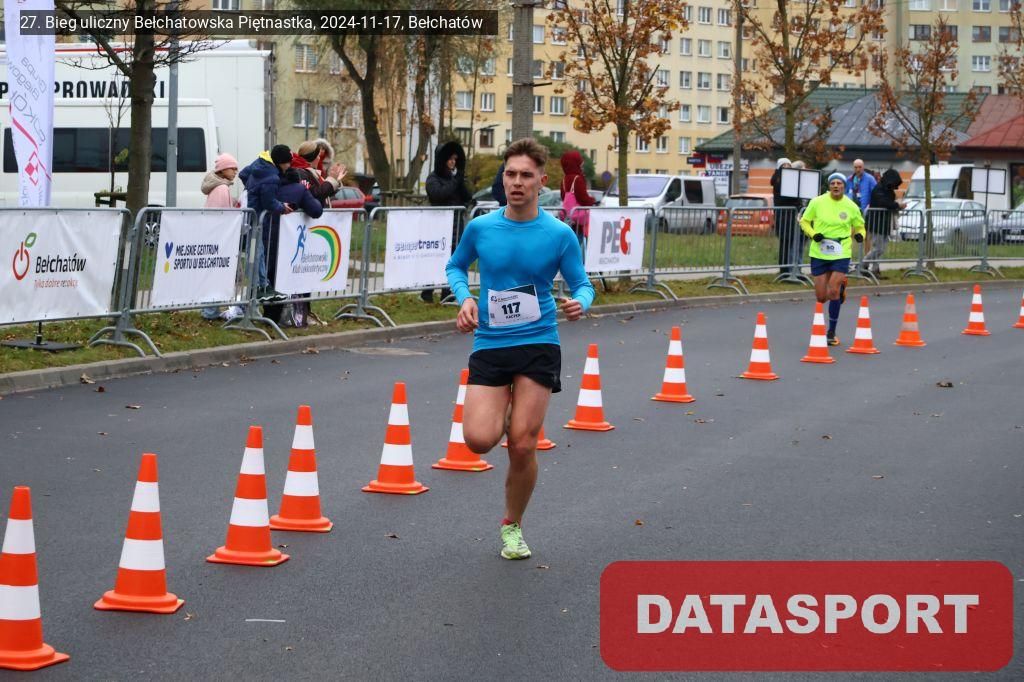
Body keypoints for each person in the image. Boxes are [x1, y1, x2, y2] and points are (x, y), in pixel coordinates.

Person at [446, 138, 595, 560]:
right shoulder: (482, 227)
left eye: (525, 175)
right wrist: (465, 298)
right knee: (478, 440)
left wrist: (579, 303)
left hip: (538, 341)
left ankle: (512, 525)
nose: (516, 182)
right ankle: (509, 414)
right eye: (510, 174)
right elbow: (456, 266)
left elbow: (583, 284)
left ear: (541, 182)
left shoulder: (559, 234)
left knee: (523, 445)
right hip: (491, 341)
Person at [800, 173, 866, 346]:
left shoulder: (851, 206)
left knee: (833, 291)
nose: (836, 186)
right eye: (833, 183)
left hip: (841, 251)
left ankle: (831, 332)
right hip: (819, 252)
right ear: (829, 186)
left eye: (839, 183)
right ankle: (841, 287)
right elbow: (804, 221)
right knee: (821, 297)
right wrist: (813, 234)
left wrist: (860, 235)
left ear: (844, 186)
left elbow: (860, 226)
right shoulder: (817, 202)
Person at [262, 168, 324, 325]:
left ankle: (269, 316)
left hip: (267, 236)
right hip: (289, 241)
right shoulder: (299, 189)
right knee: (287, 275)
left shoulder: (271, 186)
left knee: (270, 275)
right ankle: (286, 316)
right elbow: (316, 210)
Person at [239, 144, 294, 301]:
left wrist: (252, 189)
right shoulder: (272, 178)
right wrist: (282, 207)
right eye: (288, 162)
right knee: (257, 252)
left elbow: (243, 174)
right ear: (280, 162)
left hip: (251, 215)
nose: (289, 166)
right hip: (256, 216)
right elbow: (269, 203)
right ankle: (258, 286)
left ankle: (263, 285)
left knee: (258, 251)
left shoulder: (259, 163)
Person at [423, 140, 472, 303]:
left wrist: (461, 181)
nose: (452, 162)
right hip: (438, 224)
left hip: (455, 224)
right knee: (435, 257)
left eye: (454, 159)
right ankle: (427, 290)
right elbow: (439, 195)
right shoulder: (433, 178)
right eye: (449, 159)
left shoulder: (454, 177)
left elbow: (466, 196)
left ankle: (446, 291)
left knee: (452, 258)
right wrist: (455, 181)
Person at [200, 153, 244, 321]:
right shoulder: (222, 189)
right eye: (233, 168)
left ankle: (210, 310)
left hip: (214, 237)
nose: (235, 172)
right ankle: (210, 311)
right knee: (217, 275)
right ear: (223, 169)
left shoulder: (219, 187)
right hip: (219, 239)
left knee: (215, 275)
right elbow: (222, 216)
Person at [863, 169, 905, 279]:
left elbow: (888, 202)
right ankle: (863, 265)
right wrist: (897, 205)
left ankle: (875, 270)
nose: (895, 187)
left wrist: (896, 205)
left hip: (884, 223)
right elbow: (884, 203)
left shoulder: (886, 190)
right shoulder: (879, 190)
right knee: (878, 248)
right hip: (876, 223)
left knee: (880, 248)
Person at [770, 157, 802, 276]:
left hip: (789, 215)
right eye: (784, 166)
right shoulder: (779, 179)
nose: (787, 168)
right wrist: (797, 201)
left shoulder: (788, 178)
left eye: (789, 165)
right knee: (785, 242)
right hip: (783, 216)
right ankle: (784, 269)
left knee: (789, 242)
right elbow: (786, 197)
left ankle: (788, 268)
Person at [292, 140, 346, 206]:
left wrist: (335, 180)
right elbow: (316, 194)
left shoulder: (309, 172)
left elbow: (325, 193)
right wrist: (331, 180)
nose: (319, 158)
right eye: (318, 155)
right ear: (313, 157)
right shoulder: (301, 172)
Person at [559, 149, 596, 243]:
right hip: (578, 221)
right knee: (579, 242)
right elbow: (583, 199)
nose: (582, 166)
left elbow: (563, 197)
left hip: (567, 218)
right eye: (580, 164)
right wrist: (592, 200)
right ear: (575, 164)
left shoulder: (564, 179)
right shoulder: (578, 179)